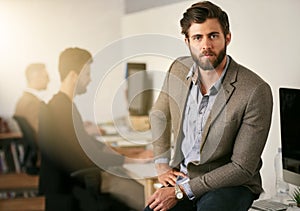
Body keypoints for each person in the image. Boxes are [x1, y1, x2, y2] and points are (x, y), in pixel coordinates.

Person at [145, 1, 273, 211]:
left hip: (229, 184)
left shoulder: (255, 90)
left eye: (213, 36)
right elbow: (159, 113)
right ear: (187, 41)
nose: (205, 45)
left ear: (227, 38)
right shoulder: (178, 69)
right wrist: (161, 164)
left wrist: (180, 191)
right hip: (184, 176)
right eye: (197, 37)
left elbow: (241, 168)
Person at [39, 47, 151, 211]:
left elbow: (87, 142)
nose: (90, 80)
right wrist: (132, 160)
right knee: (144, 196)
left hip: (71, 184)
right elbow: (88, 155)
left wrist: (128, 152)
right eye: (86, 75)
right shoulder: (63, 109)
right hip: (77, 188)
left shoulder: (61, 105)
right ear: (73, 76)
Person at [14, 63, 49, 135]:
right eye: (46, 76)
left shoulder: (23, 100)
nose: (49, 80)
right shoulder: (31, 103)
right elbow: (42, 133)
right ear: (36, 77)